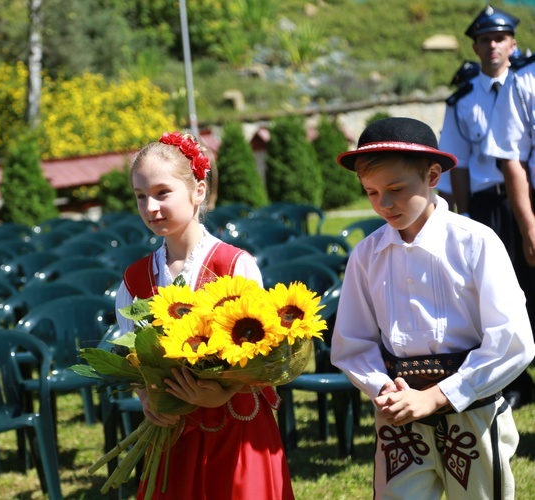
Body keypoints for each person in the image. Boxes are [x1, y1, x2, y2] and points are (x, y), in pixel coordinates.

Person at [330, 117, 535, 499]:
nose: (384, 204)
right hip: (398, 410)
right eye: (372, 192)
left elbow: (512, 339)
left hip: (471, 409)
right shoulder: (366, 255)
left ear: (433, 176)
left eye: (395, 189)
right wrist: (384, 389)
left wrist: (438, 396)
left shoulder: (476, 242)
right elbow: (352, 341)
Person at [114, 131, 293, 499]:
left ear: (198, 191)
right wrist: (147, 397)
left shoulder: (234, 266)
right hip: (172, 433)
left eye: (163, 193)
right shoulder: (135, 279)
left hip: (235, 429)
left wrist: (222, 392)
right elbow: (133, 356)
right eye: (140, 196)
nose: (150, 207)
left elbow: (262, 356)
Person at [438, 4, 534, 409]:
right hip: (488, 204)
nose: (493, 45)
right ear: (475, 47)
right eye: (484, 39)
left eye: (500, 38)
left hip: (527, 197)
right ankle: (513, 380)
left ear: (513, 42)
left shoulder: (527, 82)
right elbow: (455, 163)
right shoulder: (462, 99)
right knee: (498, 292)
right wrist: (464, 217)